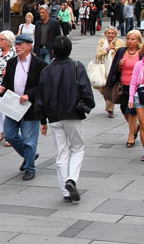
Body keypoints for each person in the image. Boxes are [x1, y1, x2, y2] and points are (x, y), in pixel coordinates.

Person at [35, 35, 95, 203]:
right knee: (77, 148)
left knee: (61, 152)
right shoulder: (77, 67)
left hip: (54, 116)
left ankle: (66, 190)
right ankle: (72, 179)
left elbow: (40, 96)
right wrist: (88, 104)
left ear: (52, 51)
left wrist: (42, 119)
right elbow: (86, 90)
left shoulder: (46, 71)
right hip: (73, 114)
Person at [0, 34, 47, 181]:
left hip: (30, 107)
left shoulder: (40, 65)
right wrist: (3, 88)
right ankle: (29, 156)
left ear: (29, 45)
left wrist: (29, 95)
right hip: (13, 105)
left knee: (29, 140)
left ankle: (30, 168)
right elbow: (7, 82)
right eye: (16, 44)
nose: (17, 47)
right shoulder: (12, 62)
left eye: (21, 44)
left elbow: (43, 86)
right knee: (10, 134)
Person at [107, 30, 143, 148]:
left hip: (136, 87)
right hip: (123, 86)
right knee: (124, 110)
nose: (130, 41)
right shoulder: (122, 51)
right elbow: (114, 68)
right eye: (128, 39)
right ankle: (135, 127)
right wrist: (119, 65)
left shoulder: (141, 53)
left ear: (138, 41)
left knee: (131, 110)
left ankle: (131, 136)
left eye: (133, 39)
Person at [0, 30, 17, 147]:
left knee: (8, 111)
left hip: (10, 86)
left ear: (9, 41)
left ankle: (9, 134)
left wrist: (9, 72)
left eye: (1, 39)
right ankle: (3, 131)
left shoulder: (15, 53)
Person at [96, 27, 125, 118]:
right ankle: (109, 103)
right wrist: (107, 49)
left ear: (115, 34)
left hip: (114, 69)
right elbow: (98, 54)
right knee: (103, 90)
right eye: (108, 33)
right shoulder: (102, 42)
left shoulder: (119, 42)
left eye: (112, 33)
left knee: (110, 88)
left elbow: (122, 53)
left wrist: (114, 50)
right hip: (103, 68)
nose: (110, 35)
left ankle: (110, 109)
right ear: (106, 34)